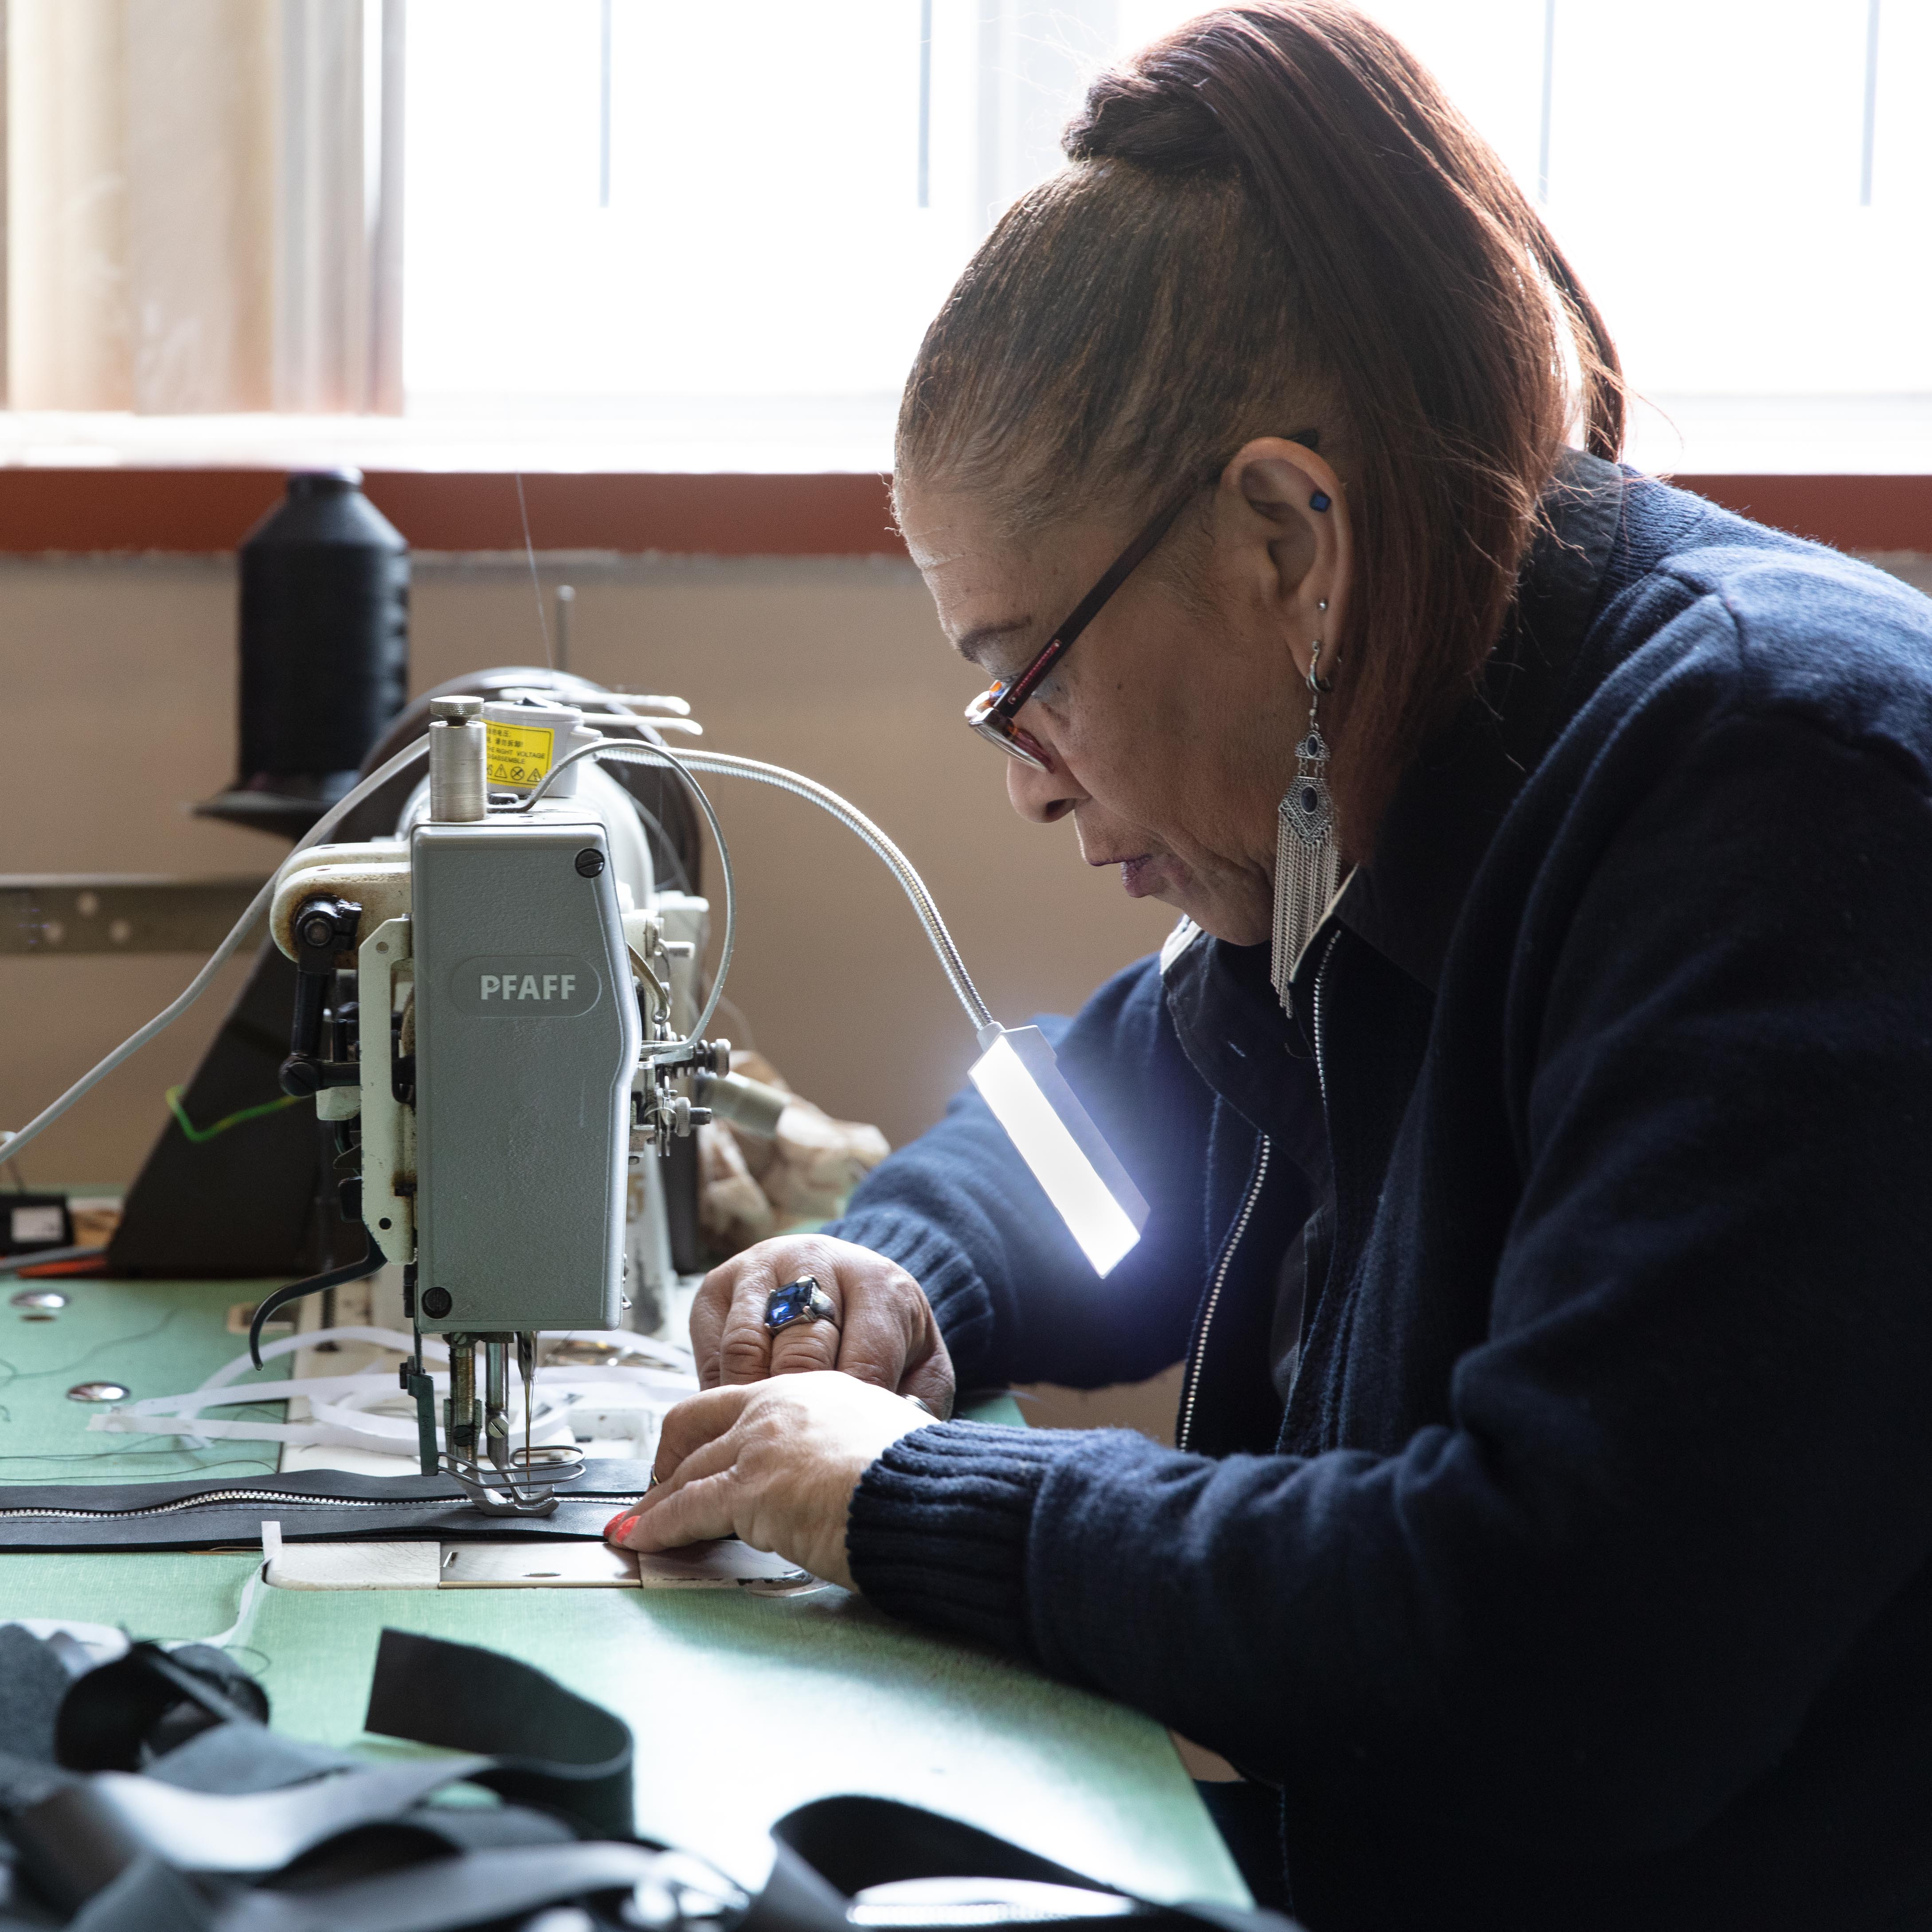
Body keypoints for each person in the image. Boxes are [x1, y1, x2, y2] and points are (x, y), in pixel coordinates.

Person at [601, 6, 1932, 1927]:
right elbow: (1109, 1117)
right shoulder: (1401, 793)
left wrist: (905, 1495)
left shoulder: (1781, 803)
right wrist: (903, 1265)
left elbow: (1561, 1637)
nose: (1024, 782)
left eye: (1027, 680)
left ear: (1284, 539)